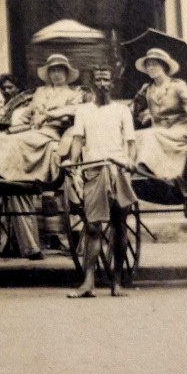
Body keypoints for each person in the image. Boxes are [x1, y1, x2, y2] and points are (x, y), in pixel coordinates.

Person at [0, 54, 85, 259]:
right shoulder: (40, 92)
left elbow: (75, 112)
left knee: (17, 141)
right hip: (31, 132)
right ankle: (1, 174)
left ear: (67, 74)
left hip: (54, 133)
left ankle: (7, 169)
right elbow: (27, 114)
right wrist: (13, 122)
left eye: (61, 70)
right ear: (48, 73)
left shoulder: (74, 93)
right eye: (53, 70)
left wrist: (51, 115)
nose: (57, 74)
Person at [65, 66, 138, 298]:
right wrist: (72, 161)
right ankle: (88, 283)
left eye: (106, 80)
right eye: (98, 80)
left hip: (117, 170)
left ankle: (117, 283)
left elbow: (131, 142)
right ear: (92, 84)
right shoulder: (84, 111)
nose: (102, 84)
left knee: (119, 228)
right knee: (93, 227)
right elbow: (77, 139)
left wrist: (130, 162)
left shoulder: (122, 111)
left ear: (112, 84)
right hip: (93, 170)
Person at [133, 48, 187, 180]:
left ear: (164, 66)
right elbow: (136, 109)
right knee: (137, 135)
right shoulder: (147, 89)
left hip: (180, 128)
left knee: (150, 135)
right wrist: (140, 111)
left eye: (154, 64)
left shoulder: (177, 86)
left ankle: (148, 169)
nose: (150, 68)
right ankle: (140, 171)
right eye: (148, 65)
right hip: (159, 129)